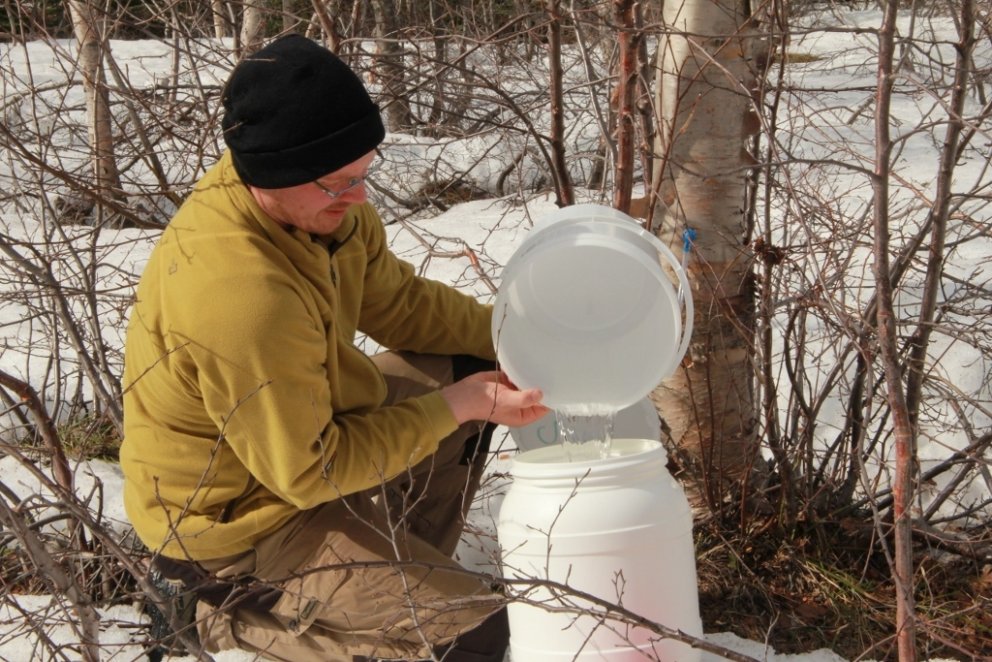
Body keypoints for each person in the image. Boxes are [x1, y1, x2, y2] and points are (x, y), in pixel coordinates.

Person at [120, 34, 547, 662]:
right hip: (236, 528)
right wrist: (454, 407)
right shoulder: (239, 294)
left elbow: (402, 305)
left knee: (470, 365)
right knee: (473, 636)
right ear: (276, 172)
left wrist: (524, 341)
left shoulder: (319, 207)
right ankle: (215, 616)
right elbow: (308, 471)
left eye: (363, 173)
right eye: (338, 183)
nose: (360, 198)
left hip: (290, 446)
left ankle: (395, 565)